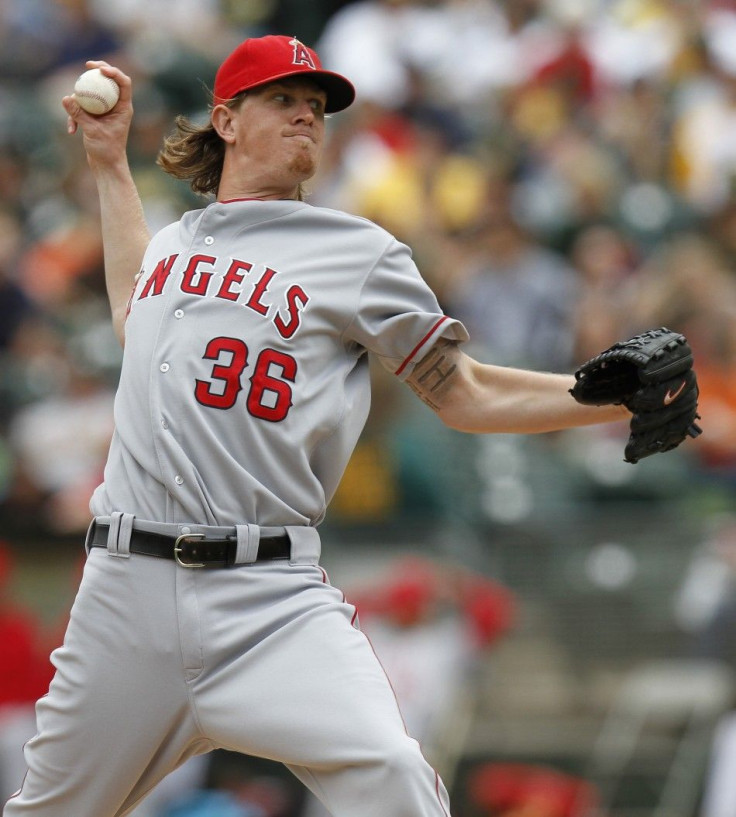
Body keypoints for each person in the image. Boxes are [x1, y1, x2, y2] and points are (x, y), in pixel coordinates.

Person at [3, 34, 661, 817]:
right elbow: (128, 315)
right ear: (227, 119)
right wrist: (110, 165)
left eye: (315, 107)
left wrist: (605, 396)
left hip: (267, 598)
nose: (306, 118)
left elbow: (463, 393)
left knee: (395, 777)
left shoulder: (359, 252)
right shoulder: (176, 243)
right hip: (126, 589)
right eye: (283, 100)